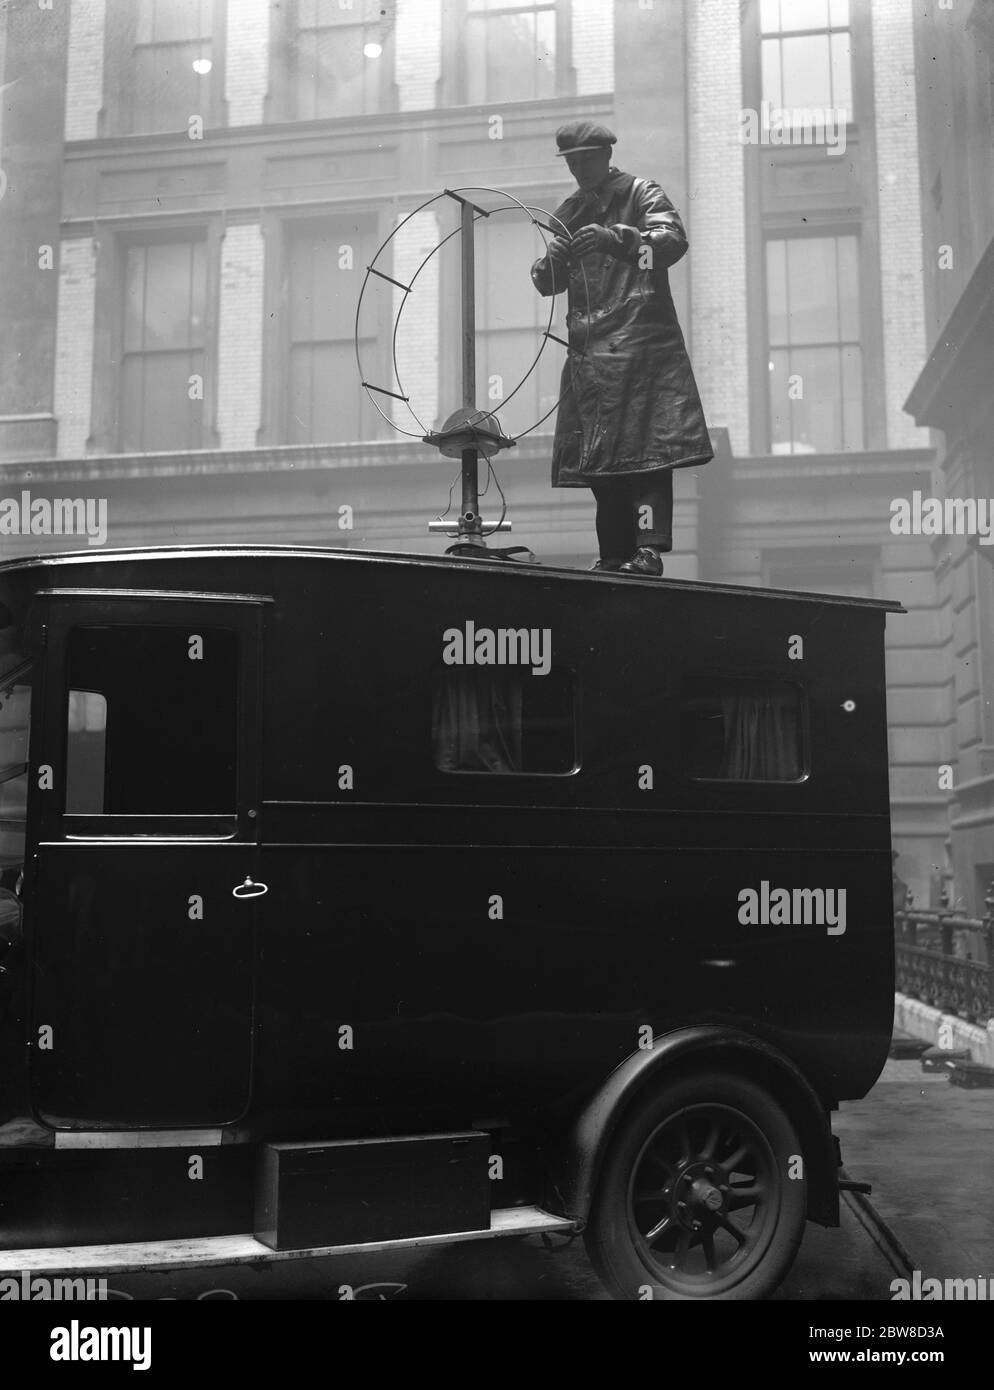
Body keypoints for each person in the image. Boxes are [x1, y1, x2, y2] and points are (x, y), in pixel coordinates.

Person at [530, 120, 713, 575]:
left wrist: (620, 239)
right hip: (591, 356)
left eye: (587, 159)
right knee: (601, 463)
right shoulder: (569, 210)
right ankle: (614, 554)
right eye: (572, 162)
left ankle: (647, 552)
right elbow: (546, 283)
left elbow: (669, 245)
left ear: (607, 155)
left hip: (640, 346)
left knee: (647, 458)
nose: (579, 169)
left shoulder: (640, 193)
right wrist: (551, 261)